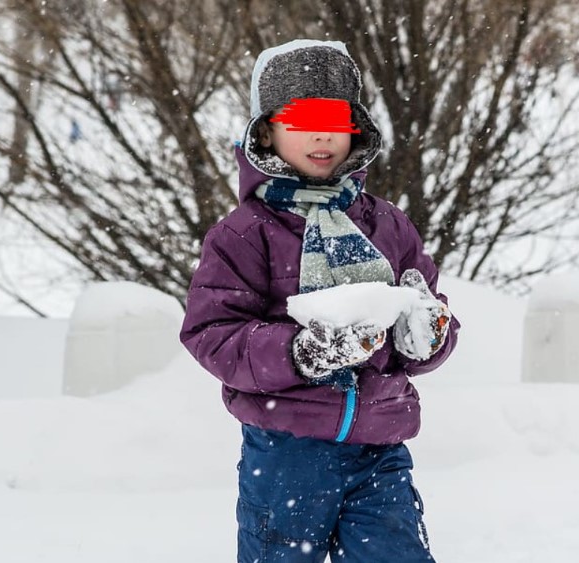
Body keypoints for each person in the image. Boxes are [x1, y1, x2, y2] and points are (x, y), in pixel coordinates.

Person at [179, 38, 459, 563]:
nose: (322, 136)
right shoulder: (245, 234)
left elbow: (429, 313)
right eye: (302, 121)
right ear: (266, 132)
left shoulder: (386, 224)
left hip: (380, 444)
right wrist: (299, 353)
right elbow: (211, 333)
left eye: (336, 120)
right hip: (286, 448)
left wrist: (429, 336)